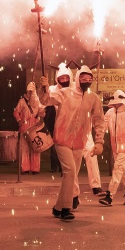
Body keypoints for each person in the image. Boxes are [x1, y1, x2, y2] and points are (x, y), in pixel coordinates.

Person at [40, 66, 105, 221]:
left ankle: (57, 208)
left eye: (89, 79)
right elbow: (46, 100)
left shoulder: (93, 98)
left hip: (79, 142)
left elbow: (99, 120)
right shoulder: (65, 93)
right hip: (62, 139)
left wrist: (100, 141)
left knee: (71, 175)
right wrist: (44, 88)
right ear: (77, 78)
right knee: (70, 171)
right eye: (83, 78)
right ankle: (66, 208)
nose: (86, 81)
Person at [44, 63, 72, 173]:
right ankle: (55, 166)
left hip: (70, 125)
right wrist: (44, 89)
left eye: (66, 77)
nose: (64, 80)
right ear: (57, 78)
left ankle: (63, 167)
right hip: (54, 123)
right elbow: (44, 101)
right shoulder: (52, 90)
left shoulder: (75, 90)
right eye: (62, 78)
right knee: (55, 147)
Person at [14, 83, 44, 174]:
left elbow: (41, 112)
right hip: (24, 127)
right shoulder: (22, 101)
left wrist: (39, 117)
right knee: (24, 148)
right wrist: (19, 120)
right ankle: (25, 168)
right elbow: (16, 112)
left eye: (32, 90)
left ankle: (35, 169)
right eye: (29, 90)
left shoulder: (37, 101)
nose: (30, 92)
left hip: (34, 127)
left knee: (35, 147)